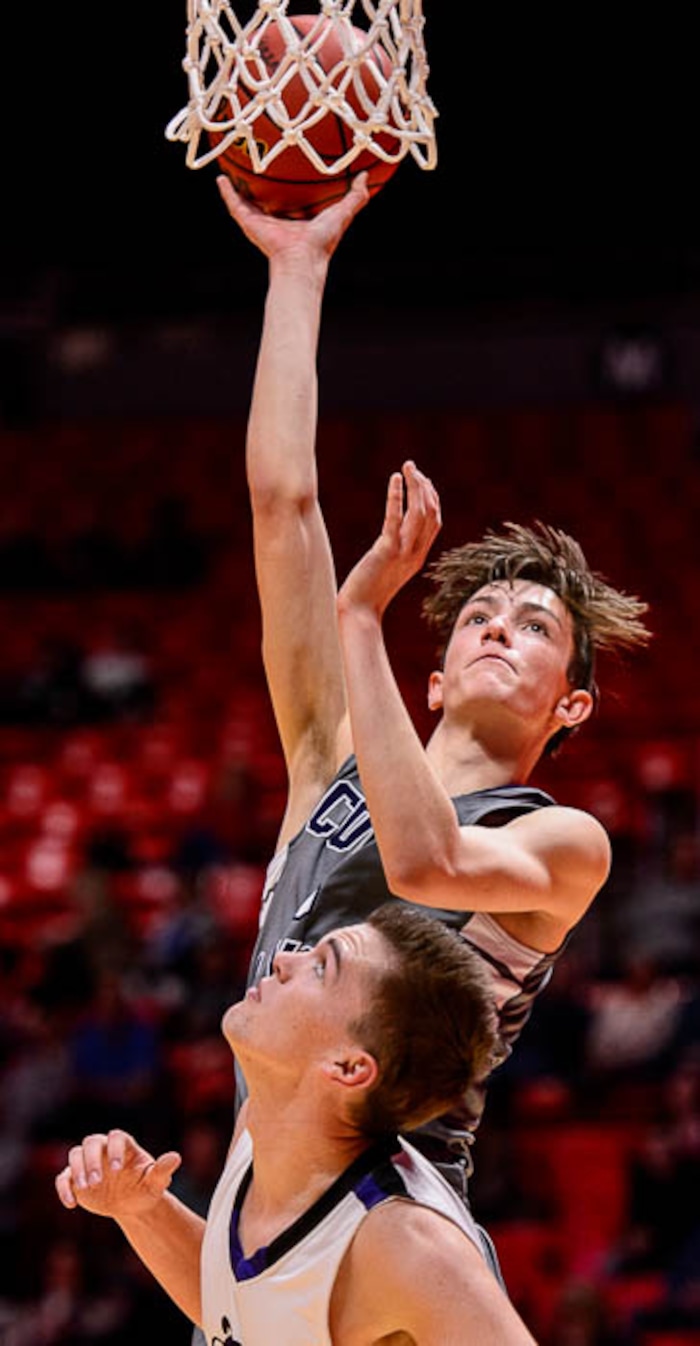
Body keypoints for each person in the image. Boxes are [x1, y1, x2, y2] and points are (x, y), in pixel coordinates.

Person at [215, 168, 651, 1198]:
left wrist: (361, 614)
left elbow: (425, 859)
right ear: (437, 677)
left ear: (570, 704)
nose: (500, 626)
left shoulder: (558, 840)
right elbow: (283, 506)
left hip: (394, 1203)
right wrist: (297, 268)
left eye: (534, 626)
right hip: (259, 1190)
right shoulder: (327, 760)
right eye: (477, 617)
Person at [55, 902, 539, 1344]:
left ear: (349, 1067)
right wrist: (141, 1209)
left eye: (323, 967)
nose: (286, 961)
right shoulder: (258, 1124)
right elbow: (238, 1312)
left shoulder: (405, 1243)